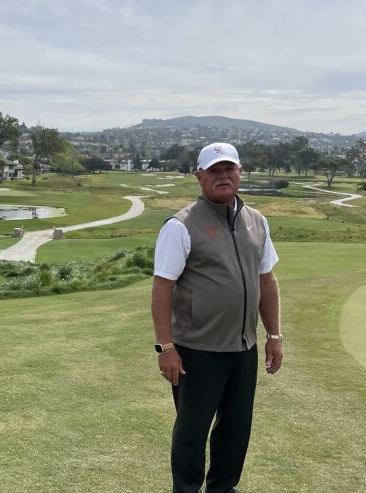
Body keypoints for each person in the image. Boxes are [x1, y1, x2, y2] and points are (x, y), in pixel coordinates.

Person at [151, 142, 283, 493]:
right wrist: (165, 347)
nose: (222, 176)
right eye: (214, 170)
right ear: (199, 176)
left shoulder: (257, 221)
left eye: (229, 169)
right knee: (192, 430)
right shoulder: (181, 225)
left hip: (244, 348)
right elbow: (162, 288)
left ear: (239, 173)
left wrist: (274, 335)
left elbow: (266, 280)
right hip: (196, 349)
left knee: (236, 427)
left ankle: (223, 488)